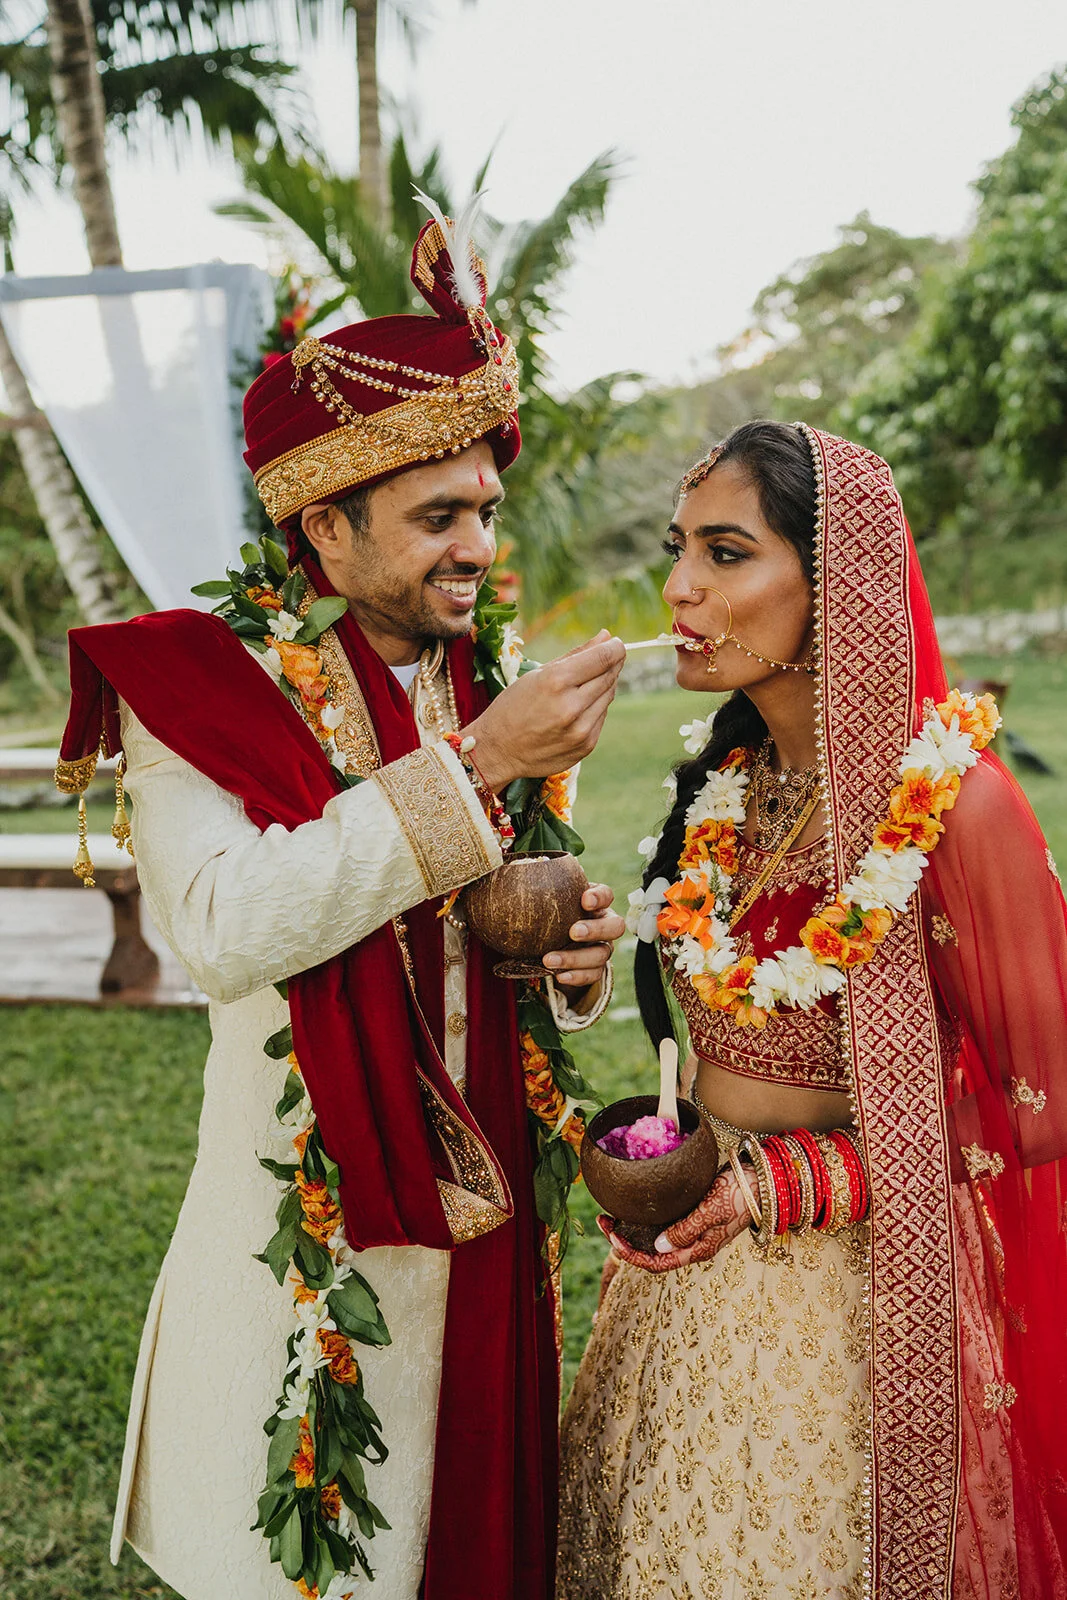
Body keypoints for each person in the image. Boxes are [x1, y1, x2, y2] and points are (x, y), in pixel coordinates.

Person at [54, 212, 626, 1600]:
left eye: (485, 510)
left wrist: (565, 959)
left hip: (483, 1200)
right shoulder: (195, 690)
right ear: (324, 521)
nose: (478, 548)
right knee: (323, 1556)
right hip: (308, 1236)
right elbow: (223, 927)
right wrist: (483, 765)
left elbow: (479, 908)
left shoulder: (464, 668)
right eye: (440, 516)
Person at [556, 420, 1067, 1599]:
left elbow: (1041, 1112)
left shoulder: (954, 809)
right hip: (680, 1275)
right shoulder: (725, 790)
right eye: (678, 549)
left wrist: (783, 1183)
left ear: (837, 582)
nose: (678, 588)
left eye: (724, 554)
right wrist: (584, 967)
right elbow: (715, 1005)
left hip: (846, 1314)